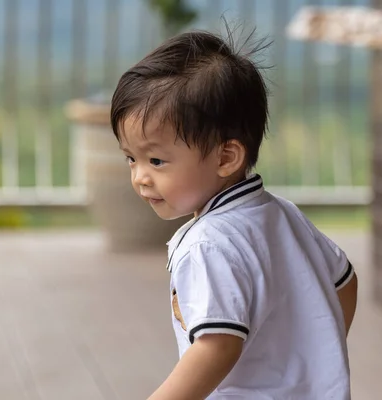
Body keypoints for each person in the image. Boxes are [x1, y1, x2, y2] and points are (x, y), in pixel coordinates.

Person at [109, 27, 358, 400]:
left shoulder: (207, 245)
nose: (140, 177)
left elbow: (216, 347)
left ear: (226, 157)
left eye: (156, 160)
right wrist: (313, 358)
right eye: (132, 159)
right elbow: (345, 281)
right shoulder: (280, 214)